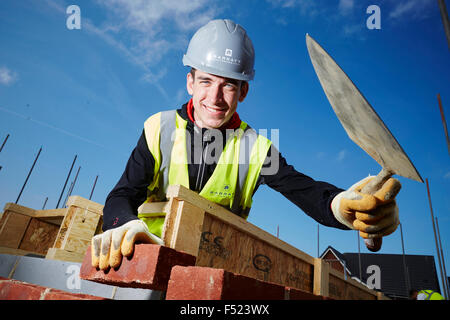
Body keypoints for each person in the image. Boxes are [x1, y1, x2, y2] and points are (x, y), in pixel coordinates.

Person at [91, 19, 401, 270]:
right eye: (206, 81)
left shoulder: (255, 148)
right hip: (144, 260)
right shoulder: (159, 128)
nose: (214, 97)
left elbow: (304, 190)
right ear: (190, 81)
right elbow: (123, 193)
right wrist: (124, 225)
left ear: (243, 92)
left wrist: (342, 206)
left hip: (208, 270)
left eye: (227, 85)